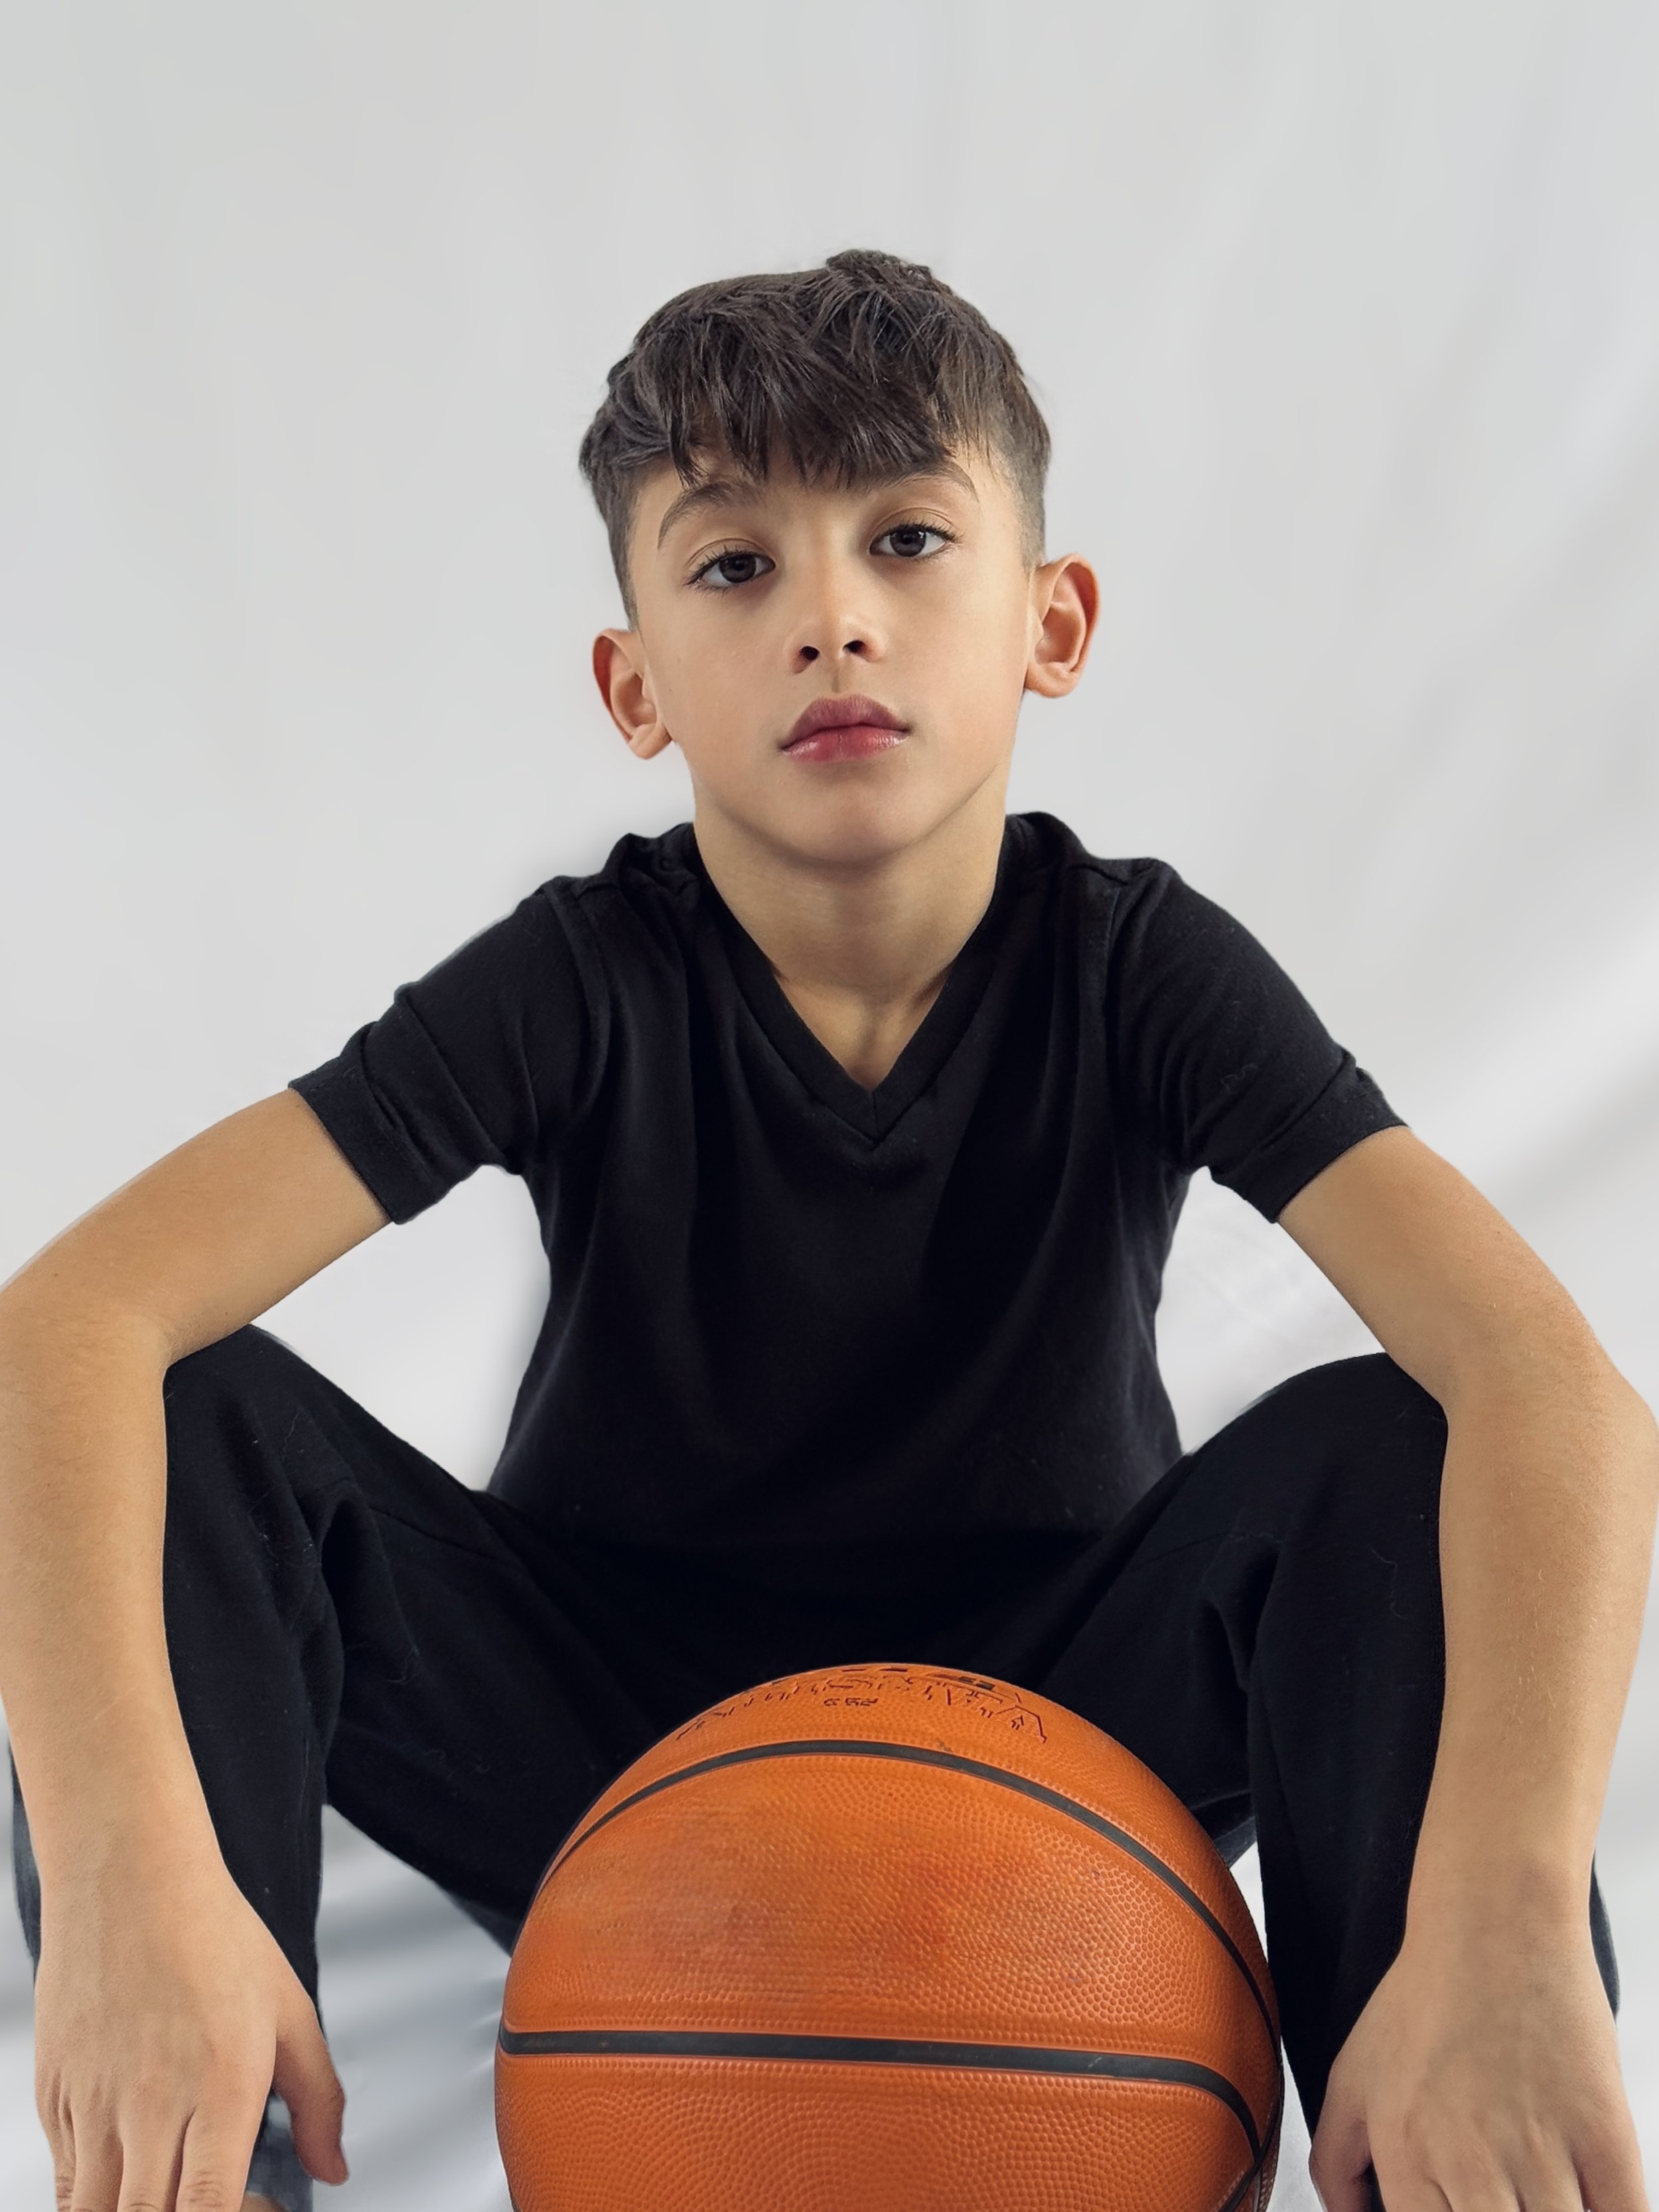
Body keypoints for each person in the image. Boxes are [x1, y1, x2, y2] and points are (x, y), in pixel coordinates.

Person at [0, 246, 1652, 2212]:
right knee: (185, 1409)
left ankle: (1448, 2106)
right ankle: (208, 2148)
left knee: (1395, 1438)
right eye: (734, 568)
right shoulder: (579, 977)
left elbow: (1550, 1384)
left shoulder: (1142, 971)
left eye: (905, 539)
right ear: (632, 688)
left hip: (1057, 1724)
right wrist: (124, 1875)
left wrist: (1504, 1903)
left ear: (1051, 621)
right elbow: (68, 1320)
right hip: (605, 1739)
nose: (833, 624)